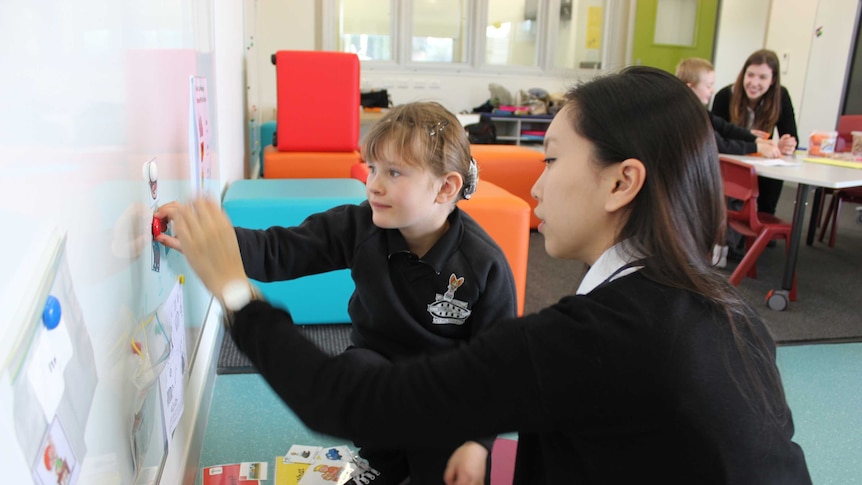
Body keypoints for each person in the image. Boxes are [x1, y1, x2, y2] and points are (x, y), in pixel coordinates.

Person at [166, 67, 812, 484]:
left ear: (622, 181)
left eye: (551, 157)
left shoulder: (587, 330)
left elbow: (344, 400)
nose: (536, 180)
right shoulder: (731, 311)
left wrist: (233, 291)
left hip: (439, 393)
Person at [158, 102, 518, 485]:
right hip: (377, 386)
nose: (374, 184)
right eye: (373, 168)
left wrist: (478, 443)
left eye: (394, 172)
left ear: (445, 187)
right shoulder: (359, 225)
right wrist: (209, 240)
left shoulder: (484, 265)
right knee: (359, 372)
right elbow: (278, 251)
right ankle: (384, 458)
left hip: (445, 404)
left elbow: (500, 367)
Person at [712, 49, 799, 215]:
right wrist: (753, 142)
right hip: (732, 158)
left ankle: (765, 216)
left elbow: (792, 136)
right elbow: (717, 137)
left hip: (762, 162)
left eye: (762, 77)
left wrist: (786, 144)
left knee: (774, 176)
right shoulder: (725, 96)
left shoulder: (780, 96)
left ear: (773, 80)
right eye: (750, 75)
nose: (754, 82)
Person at [675, 57, 781, 158]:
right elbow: (720, 145)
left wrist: (755, 139)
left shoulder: (699, 111)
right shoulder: (687, 116)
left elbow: (725, 127)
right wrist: (757, 148)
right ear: (690, 88)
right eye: (708, 86)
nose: (712, 90)